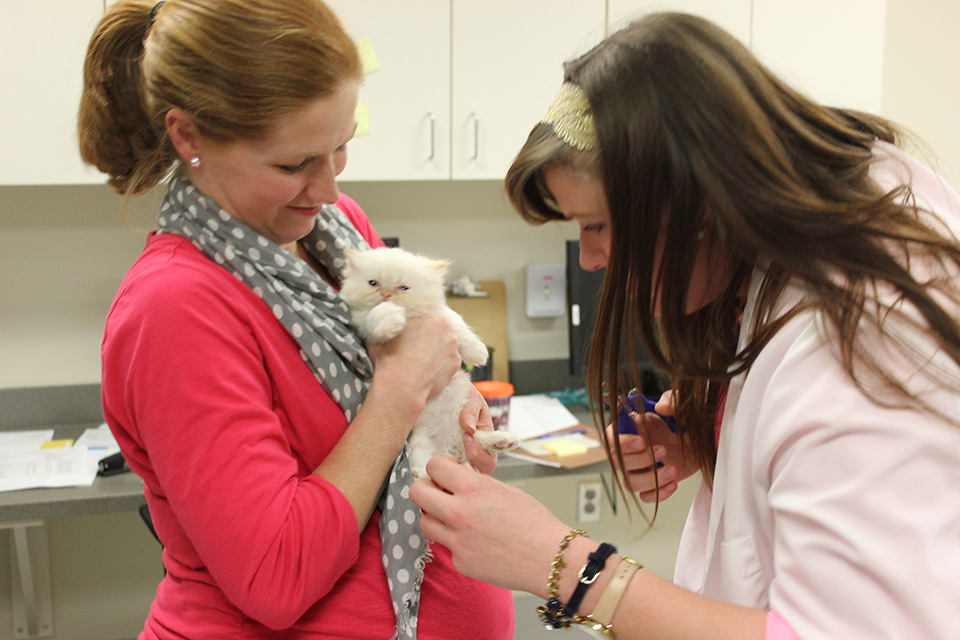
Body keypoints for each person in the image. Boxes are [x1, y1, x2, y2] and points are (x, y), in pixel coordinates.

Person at [410, 12, 960, 640]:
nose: (589, 259)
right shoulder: (816, 218)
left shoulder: (861, 347)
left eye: (597, 225)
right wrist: (717, 436)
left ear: (698, 204)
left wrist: (564, 566)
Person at [77, 1, 514, 638]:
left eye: (340, 147)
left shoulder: (336, 234)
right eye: (293, 164)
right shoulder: (174, 308)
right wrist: (401, 391)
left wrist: (451, 418)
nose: (329, 189)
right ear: (188, 136)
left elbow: (403, 388)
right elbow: (275, 576)